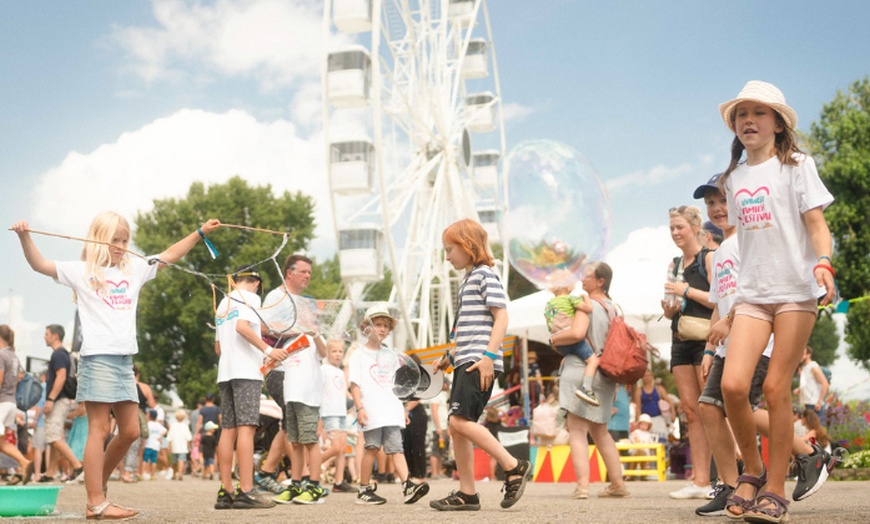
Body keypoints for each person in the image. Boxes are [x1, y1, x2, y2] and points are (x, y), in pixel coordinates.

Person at [12, 212, 220, 520]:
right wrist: (24, 236)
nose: (121, 246)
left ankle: (97, 487)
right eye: (115, 240)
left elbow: (170, 255)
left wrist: (199, 233)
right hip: (97, 358)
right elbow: (39, 264)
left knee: (131, 431)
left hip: (125, 361)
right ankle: (96, 502)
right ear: (98, 240)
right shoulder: (82, 271)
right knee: (99, 430)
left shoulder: (134, 268)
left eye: (125, 240)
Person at [715, 81, 835, 523]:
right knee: (732, 386)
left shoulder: (797, 165)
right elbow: (741, 248)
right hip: (752, 295)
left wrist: (823, 262)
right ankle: (753, 470)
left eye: (759, 113)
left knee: (773, 387)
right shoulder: (733, 179)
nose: (749, 120)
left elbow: (816, 223)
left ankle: (777, 486)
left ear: (779, 124)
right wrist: (726, 310)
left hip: (795, 292)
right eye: (742, 113)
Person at [430, 219, 532, 511]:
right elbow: (473, 327)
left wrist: (488, 357)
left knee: (458, 422)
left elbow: (501, 317)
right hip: (468, 357)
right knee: (457, 428)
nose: (447, 256)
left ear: (468, 246)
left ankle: (513, 466)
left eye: (450, 249)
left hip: (478, 360)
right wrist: (450, 357)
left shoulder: (485, 274)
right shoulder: (469, 278)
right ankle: (467, 492)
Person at [551, 262, 629, 500]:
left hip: (580, 368)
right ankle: (617, 484)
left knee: (576, 430)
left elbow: (576, 334)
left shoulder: (587, 306)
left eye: (587, 277)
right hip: (606, 373)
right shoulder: (614, 308)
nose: (582, 280)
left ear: (600, 281)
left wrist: (554, 339)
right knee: (601, 432)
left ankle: (582, 486)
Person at [213, 266, 284, 510]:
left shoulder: (223, 303)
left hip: (226, 372)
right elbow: (242, 328)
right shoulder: (251, 298)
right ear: (256, 283)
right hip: (245, 373)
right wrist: (268, 350)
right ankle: (246, 491)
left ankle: (226, 491)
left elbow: (219, 347)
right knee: (246, 428)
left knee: (228, 429)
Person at [349, 305, 430, 506]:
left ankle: (407, 486)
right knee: (372, 447)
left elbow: (396, 385)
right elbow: (355, 385)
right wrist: (359, 408)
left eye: (385, 325)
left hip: (391, 409)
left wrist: (401, 409)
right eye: (377, 324)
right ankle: (364, 488)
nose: (382, 329)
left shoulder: (391, 355)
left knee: (396, 448)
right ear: (367, 327)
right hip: (371, 410)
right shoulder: (359, 354)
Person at [264, 255, 329, 504]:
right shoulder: (275, 297)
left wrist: (311, 331)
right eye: (303, 272)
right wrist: (296, 330)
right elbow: (264, 328)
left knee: (307, 436)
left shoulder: (311, 330)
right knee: (294, 435)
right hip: (283, 378)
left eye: (310, 272)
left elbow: (322, 351)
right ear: (289, 273)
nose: (308, 276)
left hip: (307, 390)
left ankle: (309, 483)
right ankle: (295, 480)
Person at [660, 204, 715, 500]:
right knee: (691, 412)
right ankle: (700, 481)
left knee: (711, 410)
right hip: (680, 338)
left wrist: (687, 292)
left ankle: (726, 478)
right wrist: (668, 309)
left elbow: (721, 299)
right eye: (671, 228)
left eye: (679, 227)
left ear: (695, 227)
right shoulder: (674, 264)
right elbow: (671, 305)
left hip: (706, 339)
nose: (675, 232)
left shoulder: (709, 258)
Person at [41, 324, 84, 482]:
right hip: (64, 399)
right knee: (55, 436)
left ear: (55, 336)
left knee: (53, 436)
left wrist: (50, 399)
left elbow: (61, 377)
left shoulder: (58, 355)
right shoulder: (64, 354)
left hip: (59, 400)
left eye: (46, 334)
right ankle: (50, 473)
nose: (44, 337)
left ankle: (77, 466)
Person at [545, 284, 599, 405]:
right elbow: (588, 308)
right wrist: (585, 297)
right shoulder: (571, 299)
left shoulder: (548, 305)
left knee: (567, 358)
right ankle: (586, 388)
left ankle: (560, 375)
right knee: (593, 361)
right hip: (573, 339)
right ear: (569, 287)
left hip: (560, 343)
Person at [0, 325, 34, 485]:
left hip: (2, 403)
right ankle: (23, 463)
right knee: (2, 442)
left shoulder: (1, 354)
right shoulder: (14, 356)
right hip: (11, 403)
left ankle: (22, 465)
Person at [320, 338, 353, 492]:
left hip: (341, 413)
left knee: (342, 449)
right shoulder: (323, 369)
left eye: (340, 351)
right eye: (334, 351)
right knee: (335, 447)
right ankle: (308, 466)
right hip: (329, 412)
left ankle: (339, 482)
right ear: (327, 352)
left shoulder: (340, 372)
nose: (338, 354)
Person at [632, 369, 673, 443]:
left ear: (652, 377)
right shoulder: (639, 391)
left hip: (658, 418)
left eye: (648, 375)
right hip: (646, 420)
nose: (647, 378)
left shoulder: (658, 389)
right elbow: (638, 407)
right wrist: (638, 420)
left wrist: (673, 414)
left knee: (661, 441)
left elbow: (668, 400)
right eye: (645, 376)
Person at [796, 346, 829, 426]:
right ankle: (813, 439)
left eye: (802, 354)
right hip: (807, 402)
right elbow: (809, 384)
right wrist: (799, 390)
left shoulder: (813, 367)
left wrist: (820, 401)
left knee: (817, 429)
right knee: (809, 429)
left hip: (814, 403)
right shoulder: (804, 368)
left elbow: (825, 384)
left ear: (808, 355)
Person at [167, 410, 192, 480]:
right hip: (183, 446)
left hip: (174, 445)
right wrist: (189, 446)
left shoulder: (173, 426)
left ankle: (174, 473)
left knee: (174, 461)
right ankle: (180, 473)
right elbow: (188, 437)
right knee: (181, 460)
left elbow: (169, 437)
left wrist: (169, 446)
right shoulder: (185, 426)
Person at [143, 409, 165, 479]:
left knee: (145, 460)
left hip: (148, 445)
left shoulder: (148, 424)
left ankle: (143, 473)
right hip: (156, 446)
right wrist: (159, 437)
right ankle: (152, 475)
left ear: (149, 416)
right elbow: (165, 430)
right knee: (154, 461)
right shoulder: (158, 425)